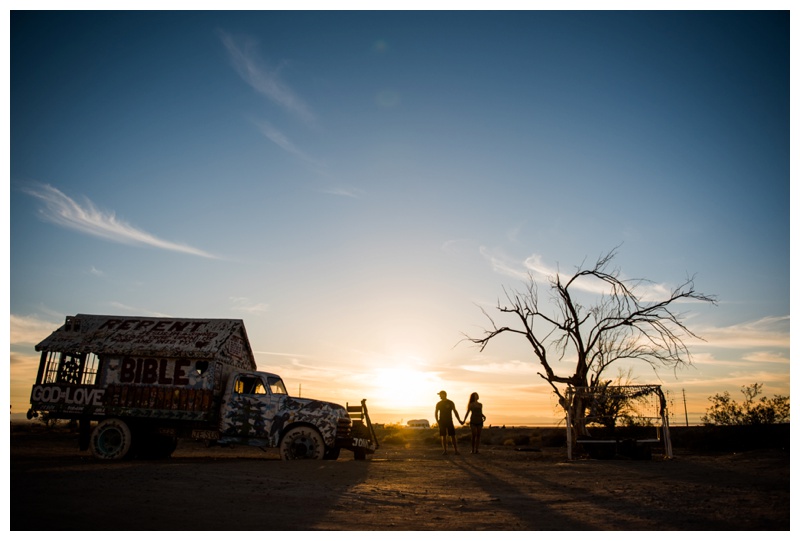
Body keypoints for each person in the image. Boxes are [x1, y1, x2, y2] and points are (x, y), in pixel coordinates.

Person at [435, 390, 462, 455]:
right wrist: (438, 421)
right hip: (442, 421)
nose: (440, 396)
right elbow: (436, 412)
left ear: (444, 394)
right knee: (443, 436)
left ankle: (456, 450)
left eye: (441, 395)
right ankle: (445, 450)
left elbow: (455, 411)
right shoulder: (439, 403)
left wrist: (459, 420)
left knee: (452, 435)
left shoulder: (450, 402)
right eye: (439, 395)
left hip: (449, 421)